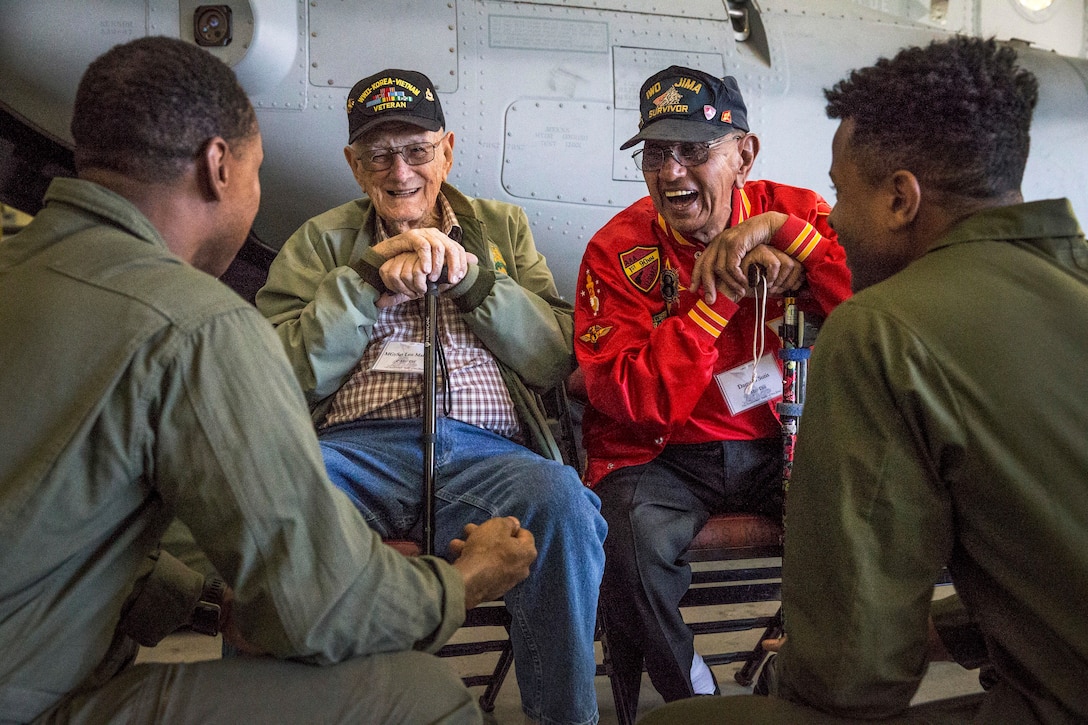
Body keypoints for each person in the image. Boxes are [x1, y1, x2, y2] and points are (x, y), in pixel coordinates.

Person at [0, 36, 538, 725]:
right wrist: (464, 581)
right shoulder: (196, 324)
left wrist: (192, 599)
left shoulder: (23, 275)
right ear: (219, 167)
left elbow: (56, 508)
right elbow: (315, 607)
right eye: (259, 169)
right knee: (423, 695)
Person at [640, 36, 1088, 724]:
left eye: (841, 193)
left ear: (901, 199)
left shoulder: (883, 330)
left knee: (683, 721)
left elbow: (851, 676)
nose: (834, 222)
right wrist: (958, 629)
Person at [255, 68, 607, 725]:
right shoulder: (320, 241)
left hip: (487, 459)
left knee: (560, 500)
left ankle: (565, 717)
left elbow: (555, 354)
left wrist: (476, 284)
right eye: (379, 156)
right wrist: (363, 281)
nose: (401, 172)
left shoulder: (502, 229)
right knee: (275, 504)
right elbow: (280, 375)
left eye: (417, 150)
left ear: (447, 149)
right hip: (350, 453)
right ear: (355, 167)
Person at [573, 64, 852, 708]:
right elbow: (635, 400)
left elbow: (876, 317)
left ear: (743, 153)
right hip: (660, 456)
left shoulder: (801, 213)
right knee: (624, 538)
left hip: (785, 443)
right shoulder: (616, 250)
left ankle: (810, 677)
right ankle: (694, 701)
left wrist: (786, 238)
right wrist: (716, 298)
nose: (670, 173)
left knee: (862, 515)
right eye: (654, 153)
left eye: (692, 151)